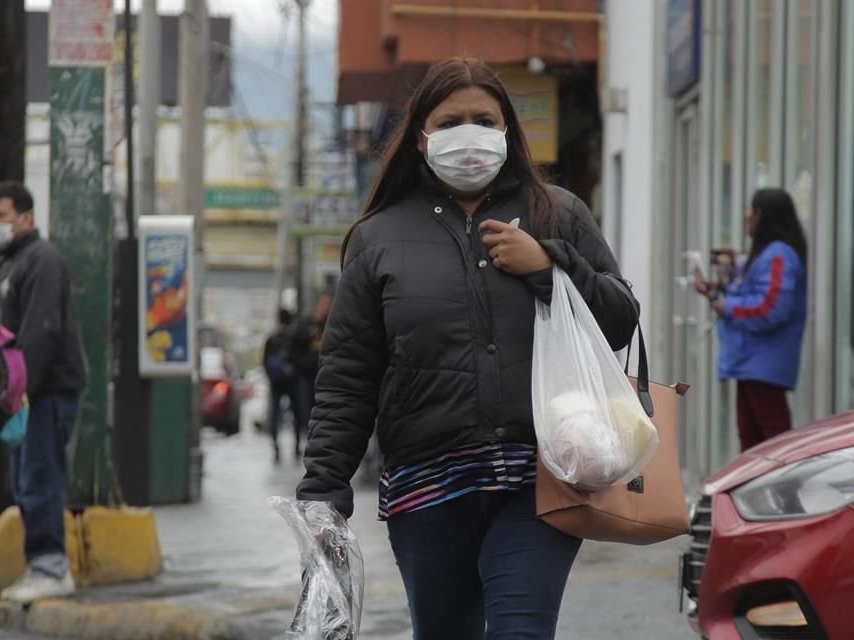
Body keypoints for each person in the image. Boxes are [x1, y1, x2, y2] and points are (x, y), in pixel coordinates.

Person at [295, 57, 640, 639]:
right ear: (422, 136)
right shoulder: (378, 238)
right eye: (451, 120)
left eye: (485, 118)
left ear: (507, 130)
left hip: (542, 481)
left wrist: (550, 265)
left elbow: (620, 321)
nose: (469, 132)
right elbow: (347, 378)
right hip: (426, 492)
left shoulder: (556, 213)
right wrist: (323, 496)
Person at [0, 181, 86, 603]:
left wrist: (19, 392)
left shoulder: (40, 260)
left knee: (40, 477)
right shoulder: (15, 262)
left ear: (26, 218)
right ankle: (40, 565)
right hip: (29, 393)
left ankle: (50, 567)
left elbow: (41, 332)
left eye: (0, 216)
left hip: (44, 392)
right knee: (29, 479)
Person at [695, 188, 808, 451]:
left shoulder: (779, 254)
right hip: (750, 362)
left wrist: (727, 307)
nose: (747, 216)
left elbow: (770, 308)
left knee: (774, 443)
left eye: (752, 211)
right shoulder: (768, 254)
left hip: (763, 364)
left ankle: (781, 492)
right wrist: (717, 291)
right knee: (751, 440)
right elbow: (755, 293)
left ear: (762, 216)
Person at [287, 291, 333, 458]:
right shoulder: (306, 325)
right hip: (306, 376)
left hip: (326, 375)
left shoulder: (332, 324)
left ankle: (320, 441)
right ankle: (306, 441)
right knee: (304, 410)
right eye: (324, 304)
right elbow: (293, 349)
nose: (326, 309)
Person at [263, 307, 301, 464]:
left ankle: (276, 447)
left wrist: (271, 376)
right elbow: (300, 360)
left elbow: (265, 361)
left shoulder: (272, 339)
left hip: (276, 383)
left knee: (275, 416)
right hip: (292, 382)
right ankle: (296, 447)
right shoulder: (294, 339)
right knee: (297, 414)